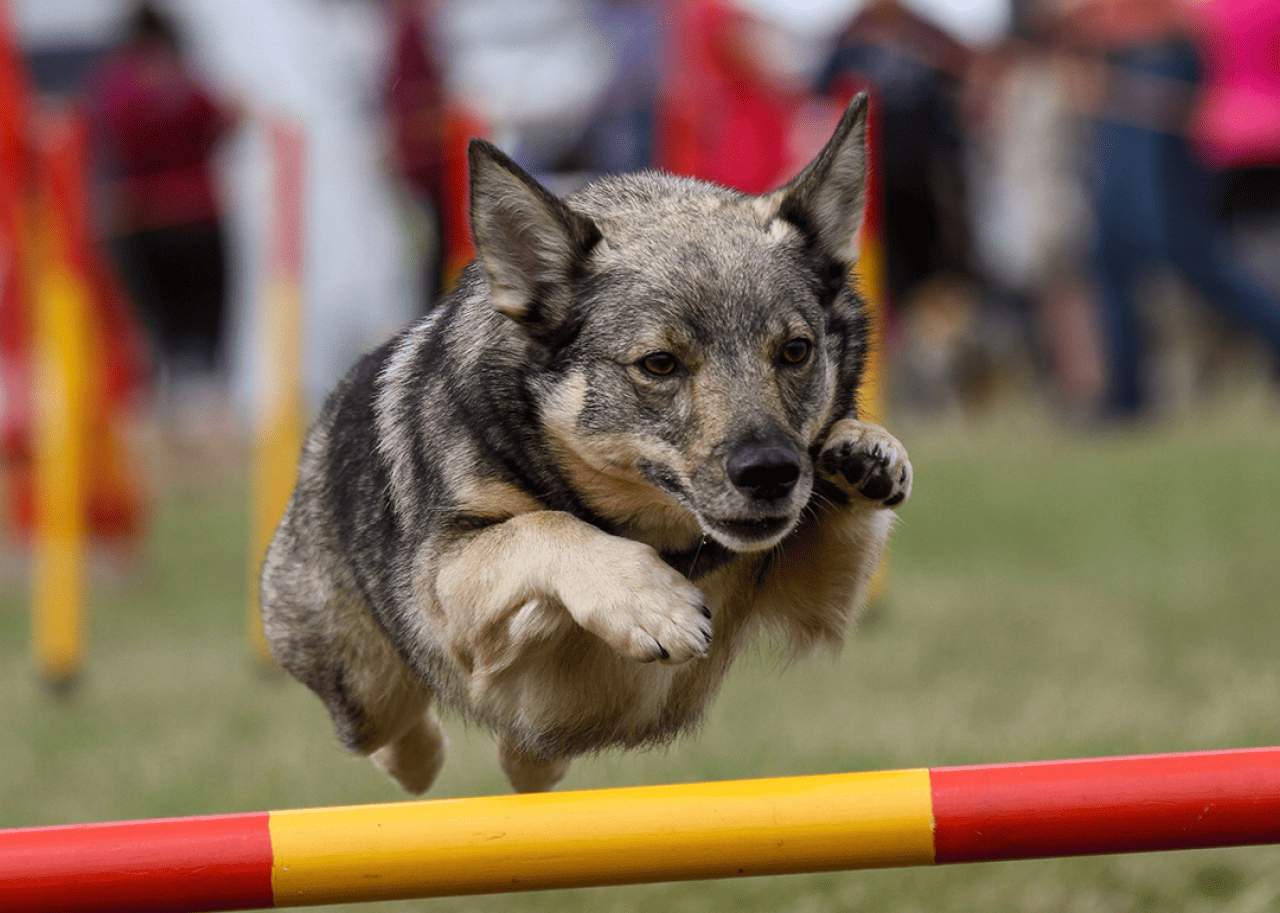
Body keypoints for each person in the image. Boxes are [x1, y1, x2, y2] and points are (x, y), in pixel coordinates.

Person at [1074, 0, 1280, 418]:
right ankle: (1125, 398)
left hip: (1158, 53)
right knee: (1110, 245)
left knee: (1177, 240)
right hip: (1124, 57)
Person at [86, 2, 236, 404]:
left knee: (159, 332)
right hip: (199, 215)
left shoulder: (116, 83)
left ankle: (166, 409)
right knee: (205, 329)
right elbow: (223, 121)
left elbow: (103, 138)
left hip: (142, 219)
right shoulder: (186, 76)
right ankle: (205, 410)